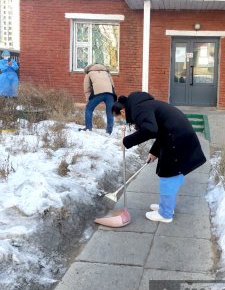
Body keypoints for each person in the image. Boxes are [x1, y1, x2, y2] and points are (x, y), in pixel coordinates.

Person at [112, 92, 207, 223]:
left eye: (119, 118)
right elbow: (161, 130)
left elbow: (150, 129)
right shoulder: (143, 105)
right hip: (175, 137)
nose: (122, 121)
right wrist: (154, 152)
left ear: (123, 112)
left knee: (169, 176)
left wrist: (126, 141)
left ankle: (166, 214)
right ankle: (166, 206)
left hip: (177, 139)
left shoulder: (138, 110)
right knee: (168, 174)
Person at [79, 63, 116, 134]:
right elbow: (112, 84)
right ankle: (109, 131)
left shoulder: (89, 73)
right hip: (109, 93)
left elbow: (86, 87)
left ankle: (88, 128)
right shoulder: (106, 72)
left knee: (89, 108)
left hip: (98, 93)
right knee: (110, 112)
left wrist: (87, 99)